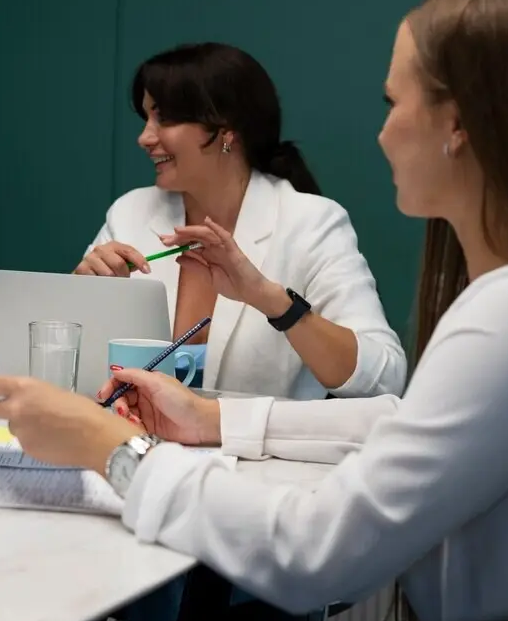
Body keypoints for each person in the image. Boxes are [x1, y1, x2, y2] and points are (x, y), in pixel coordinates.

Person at [0, 0, 508, 621]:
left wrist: (113, 450)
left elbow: (316, 551)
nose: (381, 132)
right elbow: (401, 421)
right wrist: (212, 418)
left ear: (456, 124)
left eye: (393, 104)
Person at [76, 43, 405, 400]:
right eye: (145, 118)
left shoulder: (311, 223)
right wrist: (82, 297)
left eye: (164, 118)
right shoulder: (129, 214)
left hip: (253, 455)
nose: (145, 137)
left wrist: (271, 301)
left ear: (225, 128)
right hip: (136, 451)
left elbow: (385, 379)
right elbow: (75, 371)